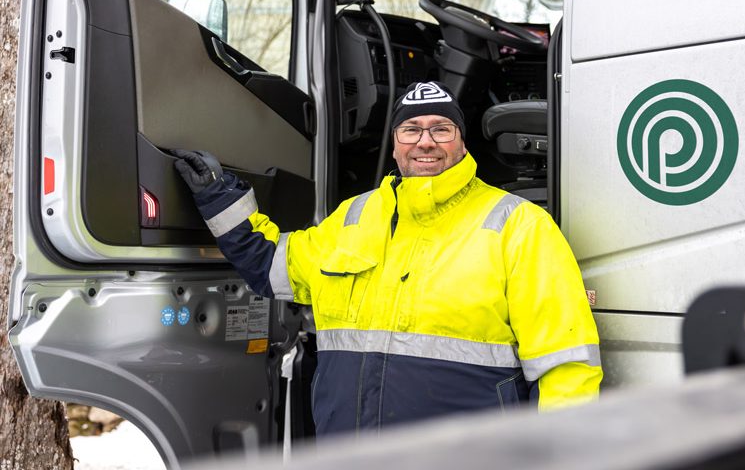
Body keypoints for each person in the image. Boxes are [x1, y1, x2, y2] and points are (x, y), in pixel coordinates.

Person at [172, 81, 602, 436]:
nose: (426, 142)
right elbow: (269, 266)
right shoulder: (352, 218)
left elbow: (566, 368)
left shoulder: (518, 225)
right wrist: (217, 197)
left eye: (441, 129)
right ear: (395, 145)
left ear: (461, 143)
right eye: (411, 129)